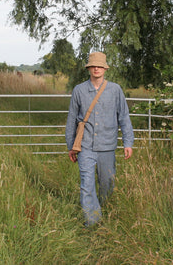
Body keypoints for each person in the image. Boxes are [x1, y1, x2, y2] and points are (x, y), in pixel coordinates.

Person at [65, 51, 134, 227]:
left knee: (107, 184)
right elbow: (72, 119)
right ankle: (93, 223)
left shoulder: (115, 90)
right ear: (89, 68)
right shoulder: (79, 90)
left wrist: (128, 142)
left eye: (100, 66)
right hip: (85, 146)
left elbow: (124, 117)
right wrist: (71, 146)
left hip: (108, 146)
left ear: (104, 68)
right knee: (86, 184)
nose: (96, 68)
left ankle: (106, 214)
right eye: (93, 65)